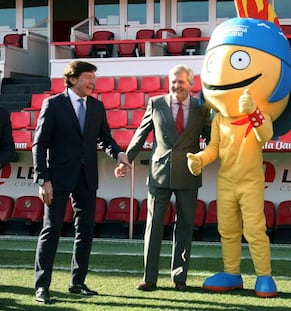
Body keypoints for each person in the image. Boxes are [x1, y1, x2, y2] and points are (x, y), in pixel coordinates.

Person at [32, 60, 129, 304]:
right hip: (57, 179)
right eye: (88, 77)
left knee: (85, 230)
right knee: (51, 230)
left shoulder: (97, 106)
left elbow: (105, 139)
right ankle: (42, 286)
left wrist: (119, 154)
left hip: (87, 179)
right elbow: (39, 144)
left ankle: (77, 282)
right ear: (73, 79)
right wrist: (43, 179)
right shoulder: (53, 104)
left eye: (93, 77)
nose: (92, 82)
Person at [114, 64, 210, 292]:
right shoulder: (156, 103)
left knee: (185, 227)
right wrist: (126, 159)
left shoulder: (201, 107)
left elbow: (210, 138)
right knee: (154, 225)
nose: (177, 86)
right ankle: (150, 278)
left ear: (191, 84)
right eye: (173, 81)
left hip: (188, 174)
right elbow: (141, 132)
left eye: (181, 82)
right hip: (159, 174)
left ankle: (179, 278)